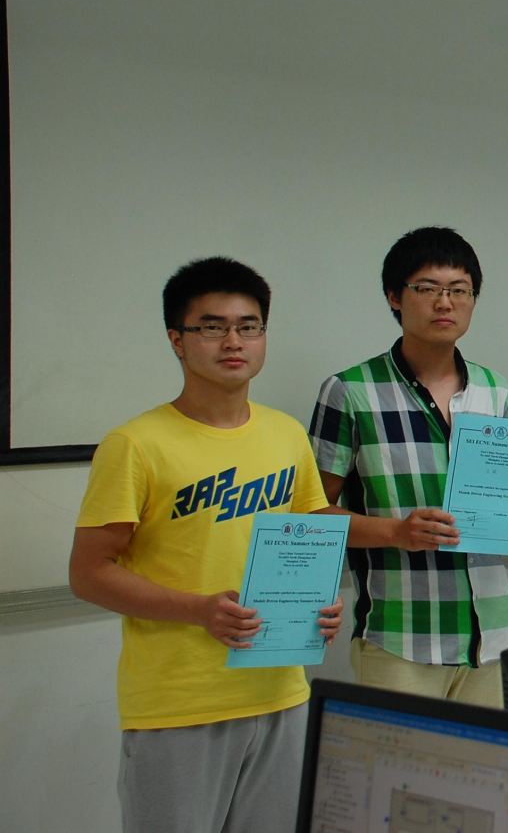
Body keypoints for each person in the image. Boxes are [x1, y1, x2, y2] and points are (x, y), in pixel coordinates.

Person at [68, 257, 344, 833]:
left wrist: (321, 602)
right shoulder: (135, 444)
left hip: (280, 691)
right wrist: (199, 611)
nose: (233, 341)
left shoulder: (286, 433)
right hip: (179, 704)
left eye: (249, 326)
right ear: (177, 340)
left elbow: (310, 534)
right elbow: (89, 573)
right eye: (212, 327)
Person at [309, 226, 508, 706]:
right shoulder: (350, 391)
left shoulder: (495, 390)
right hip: (400, 638)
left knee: (490, 757)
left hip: (492, 637)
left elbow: (506, 518)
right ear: (394, 297)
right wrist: (397, 532)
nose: (445, 303)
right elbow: (311, 514)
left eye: (460, 290)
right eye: (428, 288)